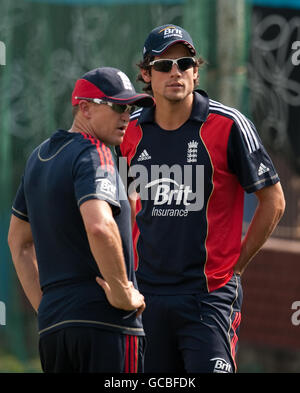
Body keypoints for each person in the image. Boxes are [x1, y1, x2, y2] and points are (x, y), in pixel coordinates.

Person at [117, 24, 286, 373]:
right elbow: (119, 204)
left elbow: (274, 201)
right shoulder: (129, 129)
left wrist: (237, 265)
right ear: (147, 74)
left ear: (196, 70)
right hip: (146, 294)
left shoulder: (229, 124)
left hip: (209, 296)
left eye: (185, 62)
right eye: (164, 65)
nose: (175, 72)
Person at [7, 67, 155, 373]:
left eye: (130, 108)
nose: (126, 115)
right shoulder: (94, 152)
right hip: (106, 324)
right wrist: (122, 290)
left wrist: (47, 309)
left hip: (55, 329)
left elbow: (18, 243)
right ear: (84, 107)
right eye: (117, 106)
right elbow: (99, 226)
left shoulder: (38, 158)